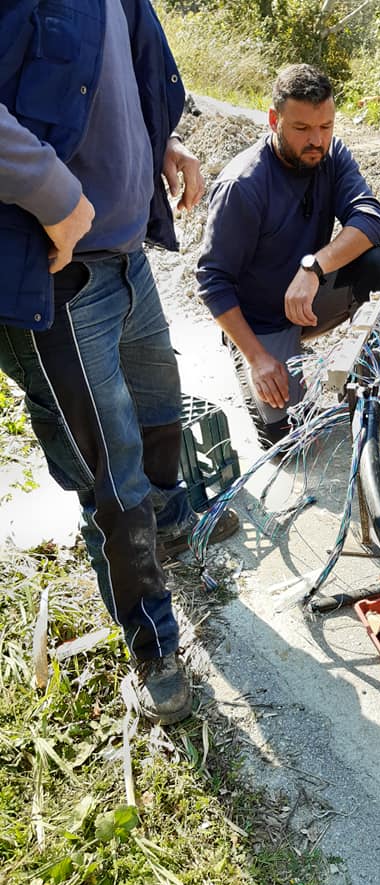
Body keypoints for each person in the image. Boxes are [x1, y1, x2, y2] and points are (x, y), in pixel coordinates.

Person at [0, 0, 237, 725]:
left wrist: (162, 144)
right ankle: (153, 643)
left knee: (160, 407)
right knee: (110, 472)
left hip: (128, 258)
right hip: (54, 275)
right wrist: (48, 188)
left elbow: (110, 81)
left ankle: (166, 525)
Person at [197, 63, 380, 449]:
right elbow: (212, 282)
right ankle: (259, 360)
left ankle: (365, 391)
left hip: (308, 300)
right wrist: (257, 358)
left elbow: (371, 219)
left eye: (326, 126)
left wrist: (314, 267)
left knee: (378, 266)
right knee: (293, 444)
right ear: (274, 120)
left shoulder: (332, 155)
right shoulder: (243, 185)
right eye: (302, 128)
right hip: (259, 322)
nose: (317, 140)